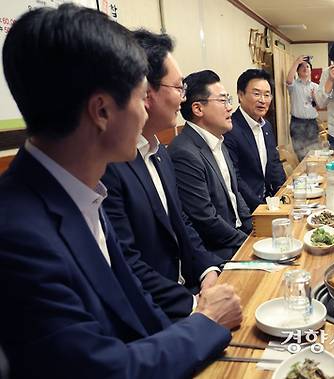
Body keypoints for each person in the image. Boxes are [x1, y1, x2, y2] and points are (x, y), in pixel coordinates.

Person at [0, 4, 242, 377]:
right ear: (101, 111)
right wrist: (205, 321)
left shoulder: (81, 190)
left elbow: (139, 307)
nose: (145, 112)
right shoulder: (16, 236)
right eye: (138, 96)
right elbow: (104, 370)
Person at [102, 31, 224, 296]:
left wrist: (208, 270)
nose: (183, 99)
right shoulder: (109, 165)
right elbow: (127, 263)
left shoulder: (159, 152)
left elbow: (181, 221)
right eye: (179, 87)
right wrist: (193, 307)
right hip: (161, 308)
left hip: (191, 287)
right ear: (146, 92)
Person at [169, 70, 253, 260]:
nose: (230, 107)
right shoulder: (184, 152)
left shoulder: (218, 141)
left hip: (238, 239)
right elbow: (205, 219)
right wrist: (248, 244)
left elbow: (235, 194)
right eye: (223, 101)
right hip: (218, 253)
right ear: (198, 109)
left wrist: (255, 230)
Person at [224, 69, 286, 212]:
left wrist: (284, 193)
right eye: (256, 94)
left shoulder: (267, 126)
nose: (263, 100)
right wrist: (261, 208)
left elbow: (274, 163)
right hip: (248, 207)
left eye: (267, 94)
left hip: (270, 201)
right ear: (240, 95)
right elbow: (235, 178)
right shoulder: (230, 128)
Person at [286, 55, 319, 160]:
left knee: (314, 152)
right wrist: (296, 62)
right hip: (297, 123)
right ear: (298, 71)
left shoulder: (315, 86)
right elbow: (288, 80)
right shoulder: (294, 85)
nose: (305, 68)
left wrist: (314, 97)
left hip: (312, 123)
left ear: (311, 71)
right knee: (300, 153)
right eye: (302, 67)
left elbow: (320, 105)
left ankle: (313, 173)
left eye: (308, 67)